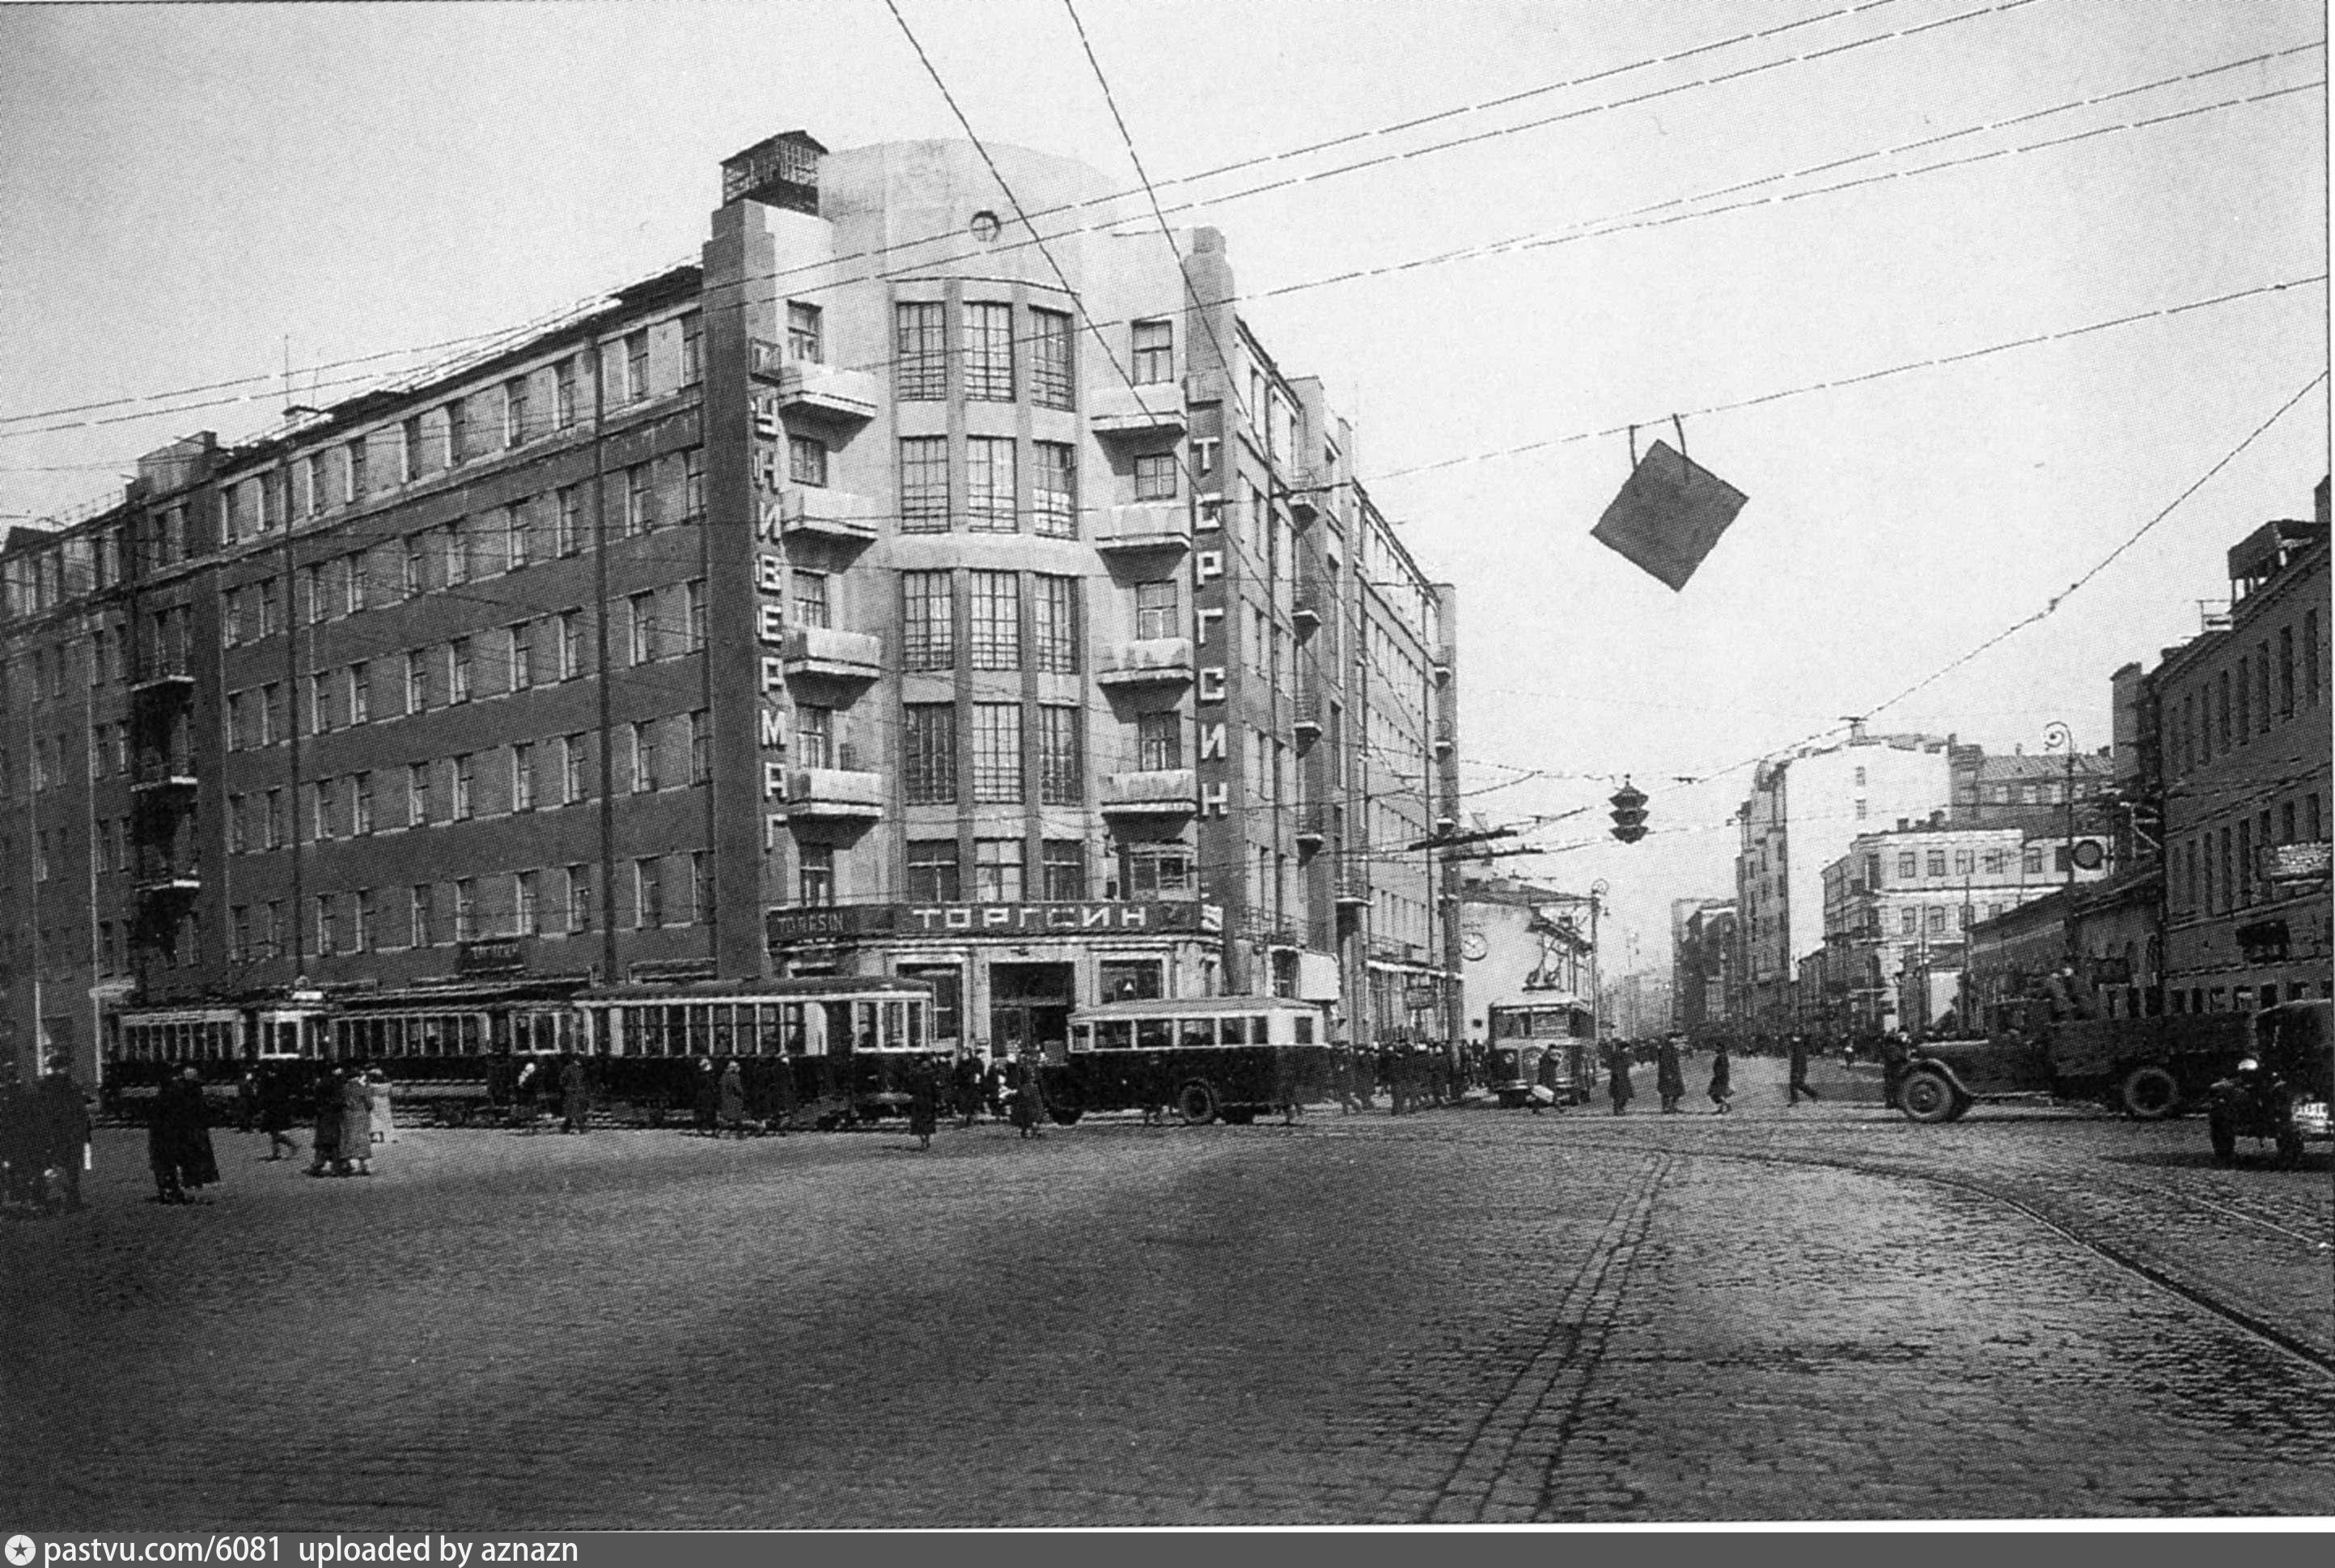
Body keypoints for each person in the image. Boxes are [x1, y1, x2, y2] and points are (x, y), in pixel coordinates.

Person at [149, 1066, 220, 1203]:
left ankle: (173, 1191)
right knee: (188, 1162)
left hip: (174, 1132)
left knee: (171, 1162)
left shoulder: (172, 1093)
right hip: (185, 1133)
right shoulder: (186, 1093)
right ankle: (183, 1191)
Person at [257, 1063, 299, 1161]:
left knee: (274, 1131)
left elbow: (269, 1095)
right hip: (274, 1108)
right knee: (273, 1131)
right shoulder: (278, 1080)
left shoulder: (274, 1081)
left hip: (274, 1109)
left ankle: (292, 1145)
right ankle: (277, 1152)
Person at [307, 1067, 344, 1176]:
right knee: (334, 1142)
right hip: (335, 1116)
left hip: (323, 1115)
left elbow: (316, 1101)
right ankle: (336, 1167)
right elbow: (340, 1101)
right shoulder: (337, 1085)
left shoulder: (320, 1085)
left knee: (322, 1142)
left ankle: (318, 1165)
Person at [339, 1066, 375, 1176]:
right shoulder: (361, 1087)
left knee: (347, 1137)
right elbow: (369, 1103)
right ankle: (364, 1165)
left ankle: (346, 1163)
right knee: (362, 1138)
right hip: (361, 1114)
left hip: (347, 1115)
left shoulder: (344, 1087)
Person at [907, 1060, 939, 1151]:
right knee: (927, 1122)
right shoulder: (932, 1075)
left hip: (919, 1101)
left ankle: (923, 1141)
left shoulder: (916, 1075)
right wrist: (938, 1100)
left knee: (918, 1122)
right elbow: (935, 1089)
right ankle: (927, 1141)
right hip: (928, 1102)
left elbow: (910, 1088)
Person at [951, 1051, 985, 1130]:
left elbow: (979, 1074)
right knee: (964, 1105)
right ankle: (966, 1122)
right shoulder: (959, 1065)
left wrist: (978, 1079)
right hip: (963, 1088)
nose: (964, 1056)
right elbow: (956, 1076)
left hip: (973, 1087)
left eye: (965, 1055)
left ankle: (972, 1122)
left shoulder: (974, 1064)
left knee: (972, 1104)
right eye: (963, 1055)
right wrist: (956, 1083)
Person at [1880, 1032, 1912, 1112]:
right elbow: (1902, 1058)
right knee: (1892, 1086)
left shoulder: (1893, 1047)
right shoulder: (1895, 1048)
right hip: (1894, 1070)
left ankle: (1892, 1102)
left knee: (1892, 1086)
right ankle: (1891, 1102)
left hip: (1892, 1069)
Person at [559, 1053, 590, 1134]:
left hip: (580, 1093)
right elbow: (562, 1080)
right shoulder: (569, 1069)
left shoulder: (582, 1069)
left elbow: (584, 1081)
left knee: (573, 1112)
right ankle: (581, 1129)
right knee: (577, 1111)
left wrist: (584, 1090)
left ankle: (565, 1128)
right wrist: (567, 1088)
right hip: (572, 1093)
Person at [1787, 1034, 1822, 1105]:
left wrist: (1796, 1071)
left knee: (1794, 1084)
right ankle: (1814, 1095)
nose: (1790, 1042)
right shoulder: (1799, 1048)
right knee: (1799, 1084)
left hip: (1798, 1069)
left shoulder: (1798, 1049)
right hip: (1800, 1069)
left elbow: (1798, 1061)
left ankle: (1795, 1100)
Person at [1656, 1036, 1687, 1115]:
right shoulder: (1666, 1049)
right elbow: (1664, 1063)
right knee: (1667, 1091)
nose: (1677, 1041)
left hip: (1674, 1073)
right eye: (1676, 1039)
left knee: (1678, 1091)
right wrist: (1667, 1074)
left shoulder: (1671, 1048)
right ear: (1671, 1039)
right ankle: (1666, 1108)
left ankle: (1673, 1106)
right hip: (1669, 1074)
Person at [717, 1058, 747, 1138]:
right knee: (738, 1118)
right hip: (735, 1099)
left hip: (725, 1099)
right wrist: (743, 1095)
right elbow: (738, 1089)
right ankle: (740, 1134)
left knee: (726, 1117)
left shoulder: (724, 1076)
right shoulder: (735, 1077)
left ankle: (721, 1132)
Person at [693, 1058, 720, 1137]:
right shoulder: (710, 1076)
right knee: (711, 1113)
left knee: (700, 1113)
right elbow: (712, 1086)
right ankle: (714, 1130)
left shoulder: (698, 1076)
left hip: (700, 1096)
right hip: (709, 1096)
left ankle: (699, 1129)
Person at [1606, 1040, 1634, 1116]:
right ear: (1624, 1048)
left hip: (1623, 1077)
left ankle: (1619, 1109)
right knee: (1619, 1095)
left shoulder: (1623, 1055)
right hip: (1618, 1078)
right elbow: (1615, 1066)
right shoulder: (1618, 1055)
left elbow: (1630, 1063)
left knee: (1623, 1095)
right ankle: (1618, 1110)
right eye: (1627, 1048)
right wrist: (1617, 1075)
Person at [1707, 1040, 1734, 1114]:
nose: (1715, 1048)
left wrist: (1719, 1076)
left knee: (1714, 1093)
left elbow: (1724, 1067)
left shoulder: (1722, 1056)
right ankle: (1722, 1108)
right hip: (1721, 1077)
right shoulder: (1722, 1056)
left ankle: (1727, 1106)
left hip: (1721, 1077)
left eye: (1717, 1047)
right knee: (1718, 1093)